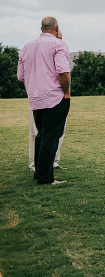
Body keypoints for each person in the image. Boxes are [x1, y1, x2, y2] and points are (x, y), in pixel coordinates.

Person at [17, 16, 71, 185]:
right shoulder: (58, 44)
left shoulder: (26, 47)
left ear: (41, 29)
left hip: (35, 98)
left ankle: (39, 173)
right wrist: (67, 92)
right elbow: (63, 71)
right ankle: (46, 178)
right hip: (54, 97)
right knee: (51, 137)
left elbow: (20, 76)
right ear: (57, 28)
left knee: (42, 135)